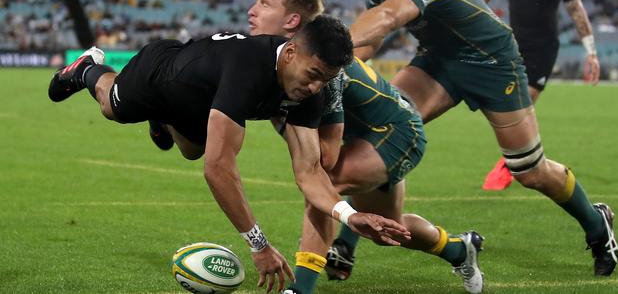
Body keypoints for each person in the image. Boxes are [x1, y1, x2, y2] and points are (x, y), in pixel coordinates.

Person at [46, 15, 412, 293]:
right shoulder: (249, 68)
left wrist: (350, 217)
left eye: (326, 79)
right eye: (314, 73)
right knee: (112, 107)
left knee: (192, 149)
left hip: (198, 98)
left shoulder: (309, 90)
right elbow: (219, 170)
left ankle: (163, 122)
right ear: (293, 51)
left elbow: (310, 171)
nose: (316, 86)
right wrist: (259, 244)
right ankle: (86, 69)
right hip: (158, 76)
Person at [335, 0, 618, 281]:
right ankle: (346, 244)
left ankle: (597, 224)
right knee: (378, 127)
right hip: (440, 61)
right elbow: (369, 43)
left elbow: (390, 18)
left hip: (493, 64)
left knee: (529, 170)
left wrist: (327, 49)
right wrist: (333, 74)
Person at [248, 0, 484, 294]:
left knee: (325, 181)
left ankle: (300, 290)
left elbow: (325, 159)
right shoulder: (281, 56)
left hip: (398, 131)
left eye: (264, 3)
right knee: (388, 230)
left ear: (292, 22)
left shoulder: (319, 65)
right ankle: (459, 248)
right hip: (364, 139)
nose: (251, 11)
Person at [478, 0, 601, 190]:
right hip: (512, 47)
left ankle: (508, 165)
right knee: (507, 106)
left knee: (524, 103)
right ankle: (518, 158)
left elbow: (576, 11)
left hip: (542, 50)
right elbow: (478, 0)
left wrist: (591, 52)